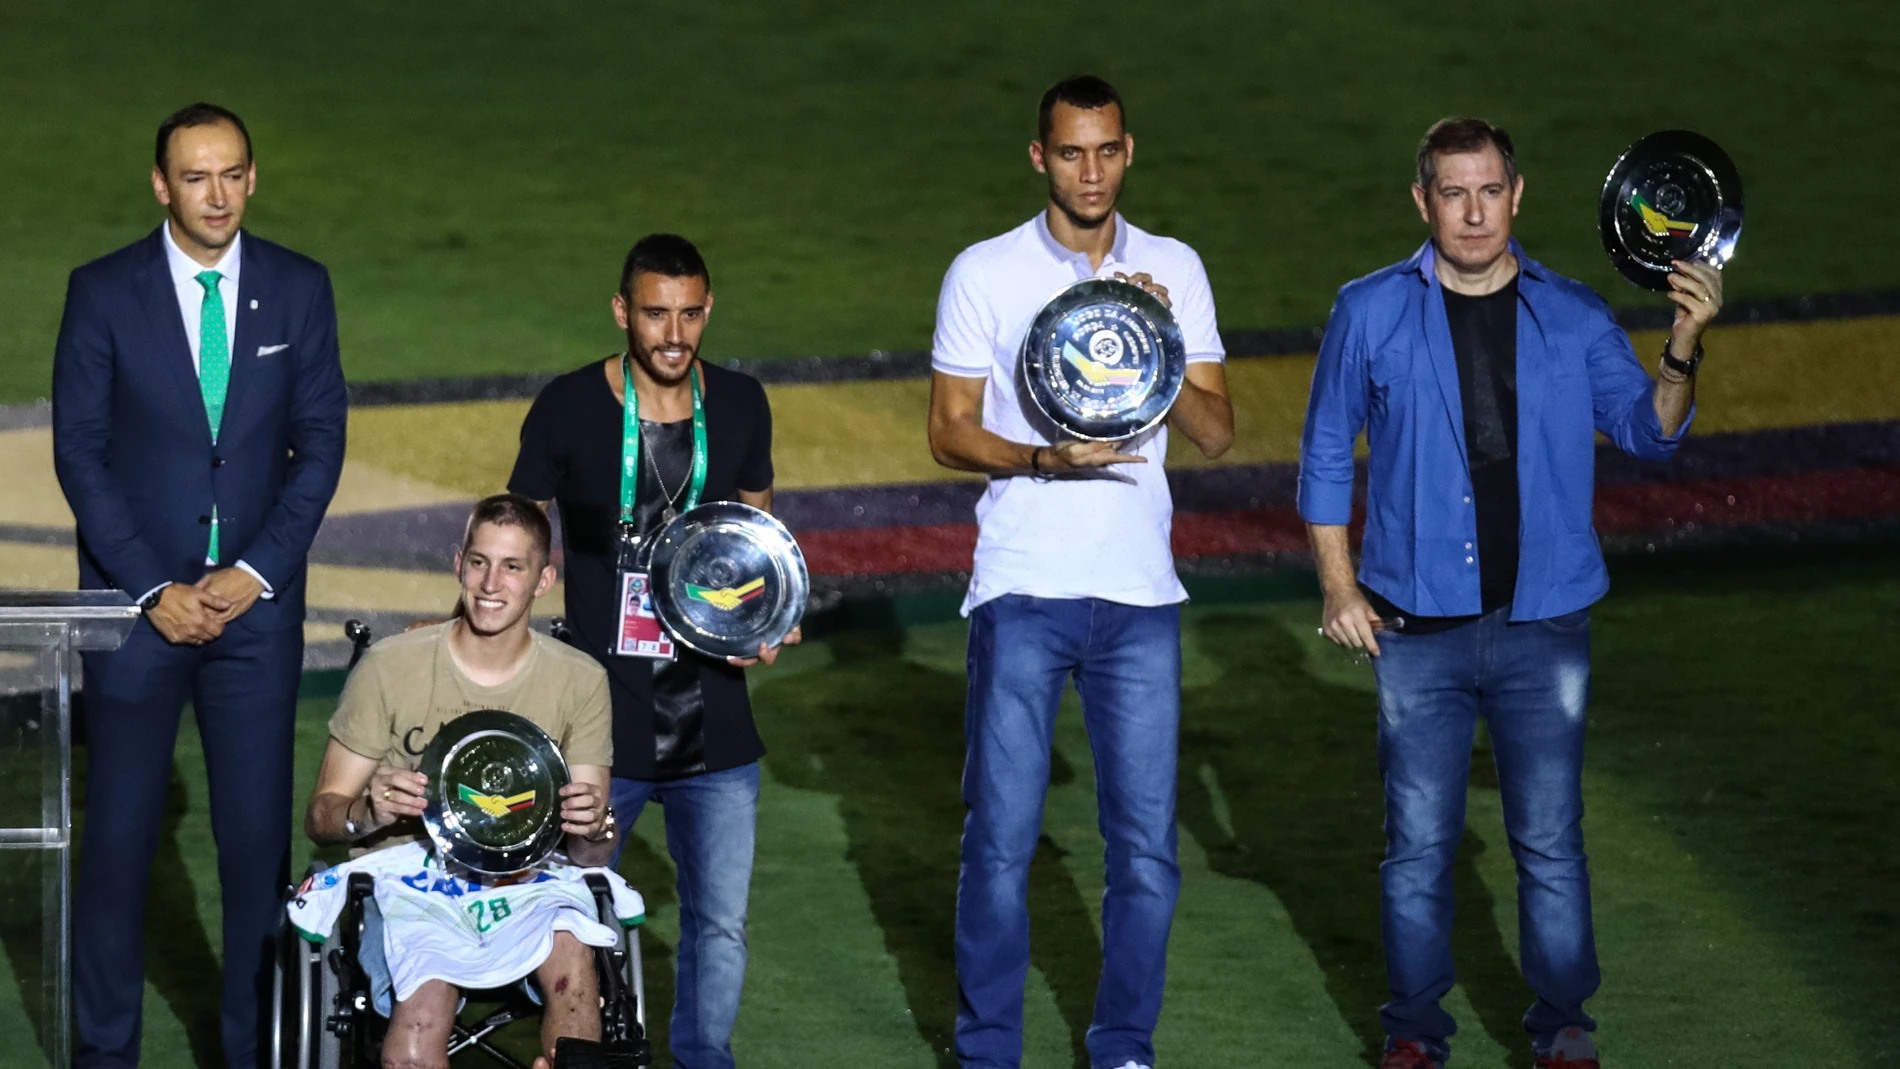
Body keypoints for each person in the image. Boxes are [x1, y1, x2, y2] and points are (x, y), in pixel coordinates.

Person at [1298, 117, 1725, 1069]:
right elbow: (1326, 447)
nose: (1474, 211)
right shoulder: (1367, 310)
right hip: (1414, 630)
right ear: (1423, 203)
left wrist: (1684, 343)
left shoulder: (1574, 314)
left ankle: (1564, 1030)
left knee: (1548, 840)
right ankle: (1413, 1034)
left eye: (1490, 190)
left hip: (1544, 626)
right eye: (1454, 192)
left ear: (1517, 196)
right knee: (1415, 848)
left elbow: (1650, 433)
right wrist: (1337, 584)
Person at [925, 75, 1234, 1069]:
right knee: (1001, 845)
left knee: (1145, 852)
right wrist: (1040, 459)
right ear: (1038, 157)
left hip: (1141, 596)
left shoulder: (1174, 267)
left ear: (1129, 152)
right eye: (1070, 153)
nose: (1089, 172)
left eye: (1105, 152)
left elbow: (1217, 433)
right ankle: (987, 1053)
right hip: (1020, 588)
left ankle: (1122, 1048)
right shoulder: (985, 270)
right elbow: (947, 431)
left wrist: (1165, 336)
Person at [52, 102, 347, 1069]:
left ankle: (253, 1052)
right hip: (135, 617)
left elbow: (320, 447)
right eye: (195, 177)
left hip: (256, 618)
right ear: (160, 185)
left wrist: (255, 572)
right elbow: (81, 455)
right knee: (117, 853)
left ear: (253, 178)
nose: (215, 195)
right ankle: (105, 1055)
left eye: (231, 175)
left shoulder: (301, 289)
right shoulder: (100, 292)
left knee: (255, 852)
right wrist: (149, 586)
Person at [507, 233, 794, 1069]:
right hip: (600, 723)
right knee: (564, 913)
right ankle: (588, 1053)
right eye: (656, 313)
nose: (674, 334)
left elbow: (758, 539)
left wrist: (767, 615)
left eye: (691, 314)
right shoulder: (567, 405)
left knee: (720, 926)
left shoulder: (740, 403)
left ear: (708, 311)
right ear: (622, 311)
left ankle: (704, 1059)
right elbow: (515, 538)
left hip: (716, 719)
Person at [300, 493, 623, 1069]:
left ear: (544, 579)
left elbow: (592, 850)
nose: (491, 583)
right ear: (458, 565)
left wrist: (591, 824)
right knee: (424, 1006)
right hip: (412, 879)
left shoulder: (580, 681)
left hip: (529, 882)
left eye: (512, 566)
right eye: (479, 562)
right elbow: (323, 817)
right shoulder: (390, 667)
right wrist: (366, 813)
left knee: (577, 962)